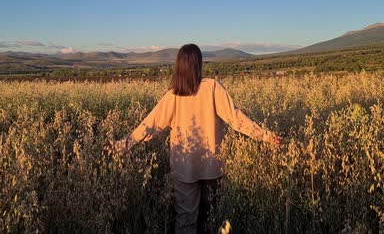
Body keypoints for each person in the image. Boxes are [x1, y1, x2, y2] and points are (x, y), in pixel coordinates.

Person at [111, 43, 281, 234]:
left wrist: (121, 145)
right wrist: (266, 136)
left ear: (179, 66)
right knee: (214, 218)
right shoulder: (213, 88)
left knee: (186, 221)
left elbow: (150, 126)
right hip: (213, 167)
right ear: (199, 63)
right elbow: (236, 119)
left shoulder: (172, 95)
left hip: (184, 168)